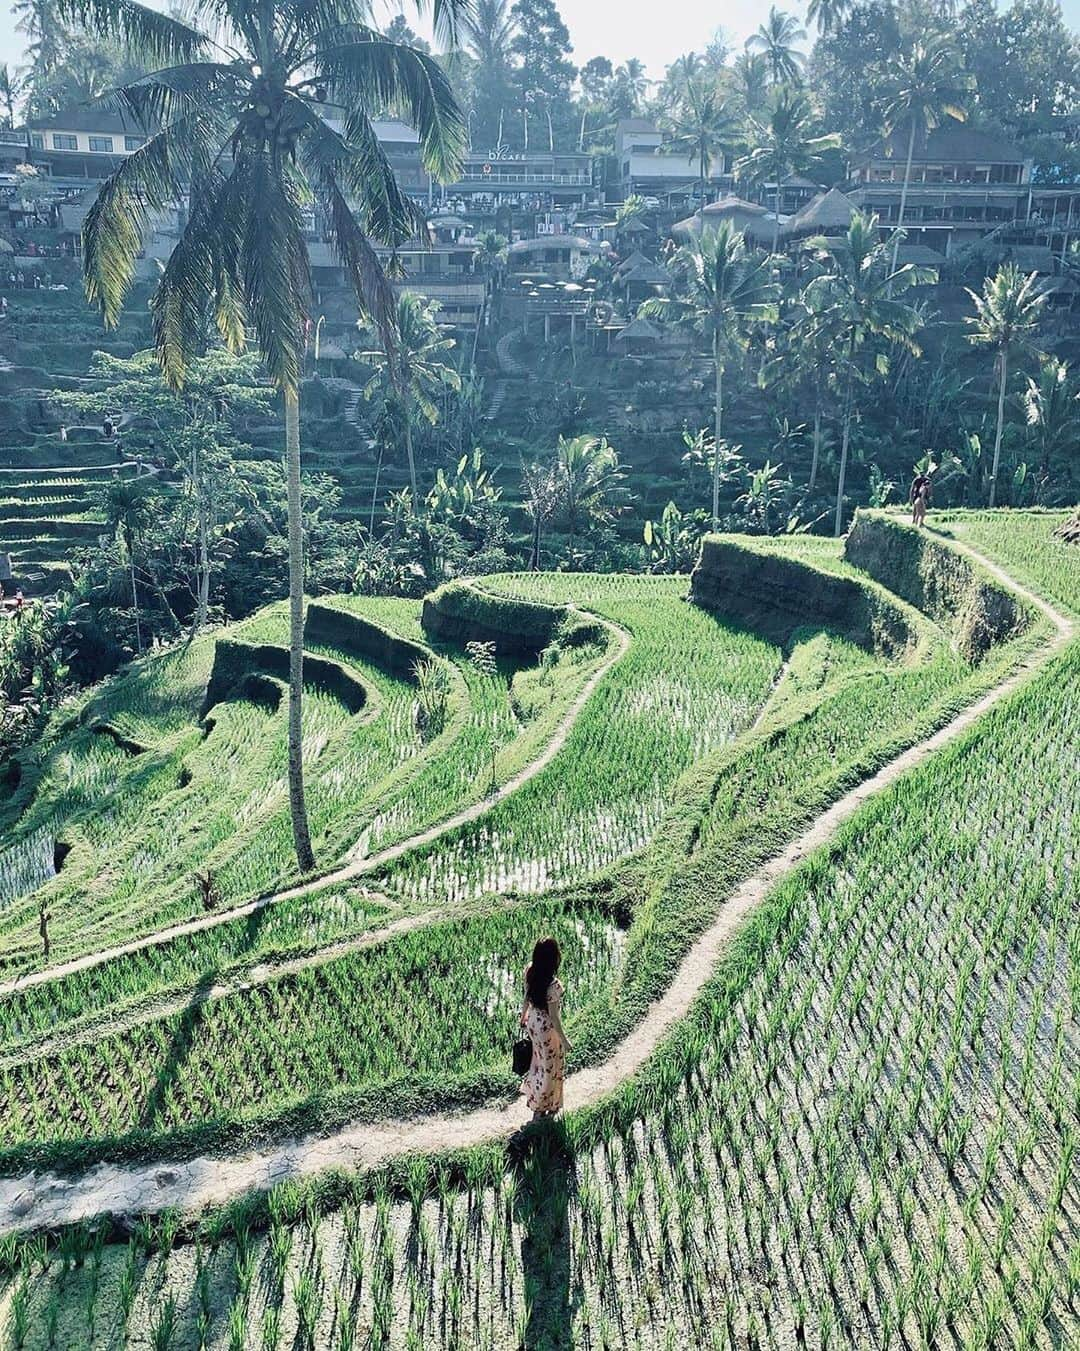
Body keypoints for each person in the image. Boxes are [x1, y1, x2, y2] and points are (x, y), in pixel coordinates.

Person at [519, 936, 570, 1120]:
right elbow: (554, 1018)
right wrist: (565, 1041)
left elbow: (526, 996)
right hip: (547, 1030)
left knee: (538, 1063)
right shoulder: (554, 985)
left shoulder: (530, 970)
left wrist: (523, 1015)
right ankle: (542, 1107)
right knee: (551, 1068)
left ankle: (539, 1101)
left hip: (533, 1023)